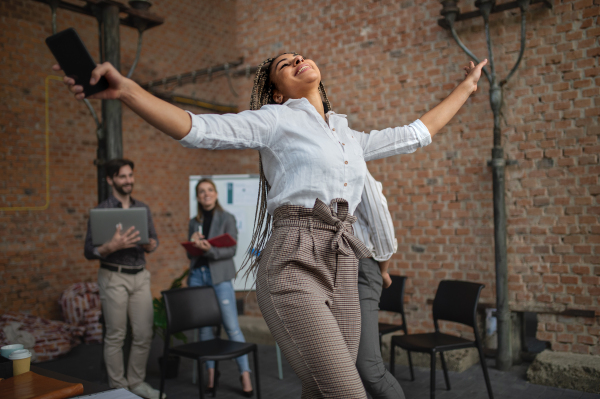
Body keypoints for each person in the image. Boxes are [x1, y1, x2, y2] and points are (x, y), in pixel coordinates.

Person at [58, 52, 486, 398]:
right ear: (277, 92)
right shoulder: (275, 120)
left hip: (343, 262)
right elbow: (199, 129)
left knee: (320, 390)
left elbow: (416, 133)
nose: (299, 59)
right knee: (348, 393)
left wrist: (467, 87)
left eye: (300, 55)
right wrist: (129, 91)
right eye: (286, 63)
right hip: (293, 261)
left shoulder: (347, 136)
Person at [83, 159, 163, 399]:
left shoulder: (143, 209)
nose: (128, 180)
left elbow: (154, 240)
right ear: (111, 180)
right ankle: (118, 389)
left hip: (140, 277)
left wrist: (151, 245)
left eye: (130, 175)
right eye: (122, 177)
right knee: (116, 335)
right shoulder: (101, 211)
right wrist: (110, 246)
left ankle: (136, 383)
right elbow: (88, 251)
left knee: (143, 333)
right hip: (113, 277)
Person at [187, 178, 253, 397]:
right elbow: (190, 254)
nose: (206, 194)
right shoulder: (193, 221)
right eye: (201, 191)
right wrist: (194, 244)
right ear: (197, 197)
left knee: (232, 326)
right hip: (198, 276)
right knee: (204, 328)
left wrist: (208, 250)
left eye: (210, 190)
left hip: (220, 277)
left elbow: (231, 250)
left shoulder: (227, 218)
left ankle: (244, 374)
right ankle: (211, 375)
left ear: (215, 194)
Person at [354, 170, 405, 398]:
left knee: (369, 367)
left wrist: (383, 270)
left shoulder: (352, 165)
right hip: (334, 267)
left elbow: (381, 223)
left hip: (361, 265)